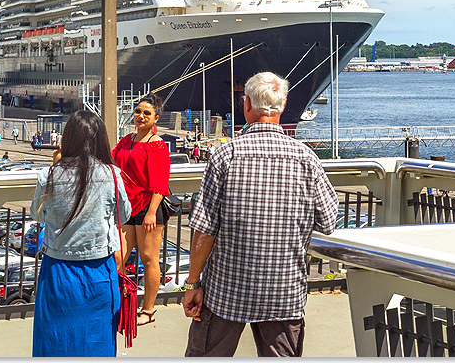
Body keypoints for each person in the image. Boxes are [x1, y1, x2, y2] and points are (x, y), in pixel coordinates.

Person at [181, 72, 338, 357]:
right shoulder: (307, 158)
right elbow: (328, 221)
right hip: (284, 291)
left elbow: (204, 229)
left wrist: (193, 283)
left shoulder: (225, 155)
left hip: (226, 291)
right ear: (283, 105)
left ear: (247, 105)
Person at [31, 111, 131, 357]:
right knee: (97, 341)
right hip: (100, 269)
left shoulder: (50, 176)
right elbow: (124, 214)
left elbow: (38, 215)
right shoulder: (112, 175)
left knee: (55, 341)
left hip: (58, 271)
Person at [111, 93, 170, 326]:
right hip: (126, 206)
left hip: (148, 208)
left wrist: (151, 212)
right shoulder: (127, 141)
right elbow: (112, 163)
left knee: (148, 259)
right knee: (117, 257)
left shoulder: (157, 146)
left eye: (147, 113)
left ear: (156, 118)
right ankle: (117, 304)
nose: (141, 116)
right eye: (138, 111)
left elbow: (160, 184)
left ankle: (147, 310)